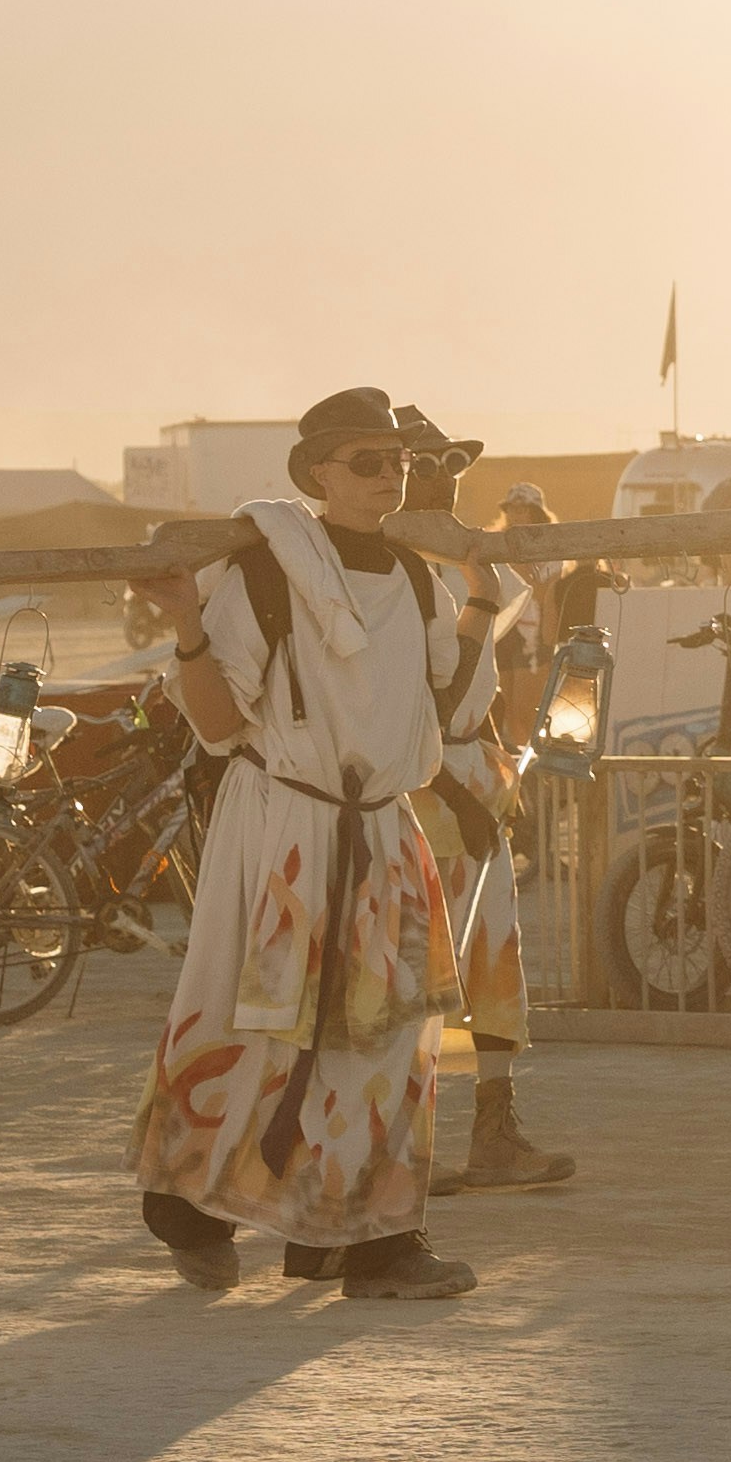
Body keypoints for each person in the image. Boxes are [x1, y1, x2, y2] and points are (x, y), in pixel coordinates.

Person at [124, 388, 497, 1301]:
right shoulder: (264, 573)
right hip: (282, 828)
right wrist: (184, 625)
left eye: (397, 461)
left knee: (389, 1036)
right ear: (318, 474)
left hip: (378, 829)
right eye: (366, 461)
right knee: (250, 1028)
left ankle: (377, 1246)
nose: (388, 475)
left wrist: (485, 597)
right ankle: (184, 1208)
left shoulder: (416, 577)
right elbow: (216, 723)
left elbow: (440, 708)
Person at [407, 424, 576, 1199]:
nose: (443, 481)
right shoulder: (384, 577)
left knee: (492, 967)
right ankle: (400, 1146)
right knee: (414, 977)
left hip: (472, 779)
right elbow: (402, 712)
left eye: (451, 468)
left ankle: (493, 1135)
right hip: (418, 791)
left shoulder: (448, 566)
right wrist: (451, 794)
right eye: (420, 467)